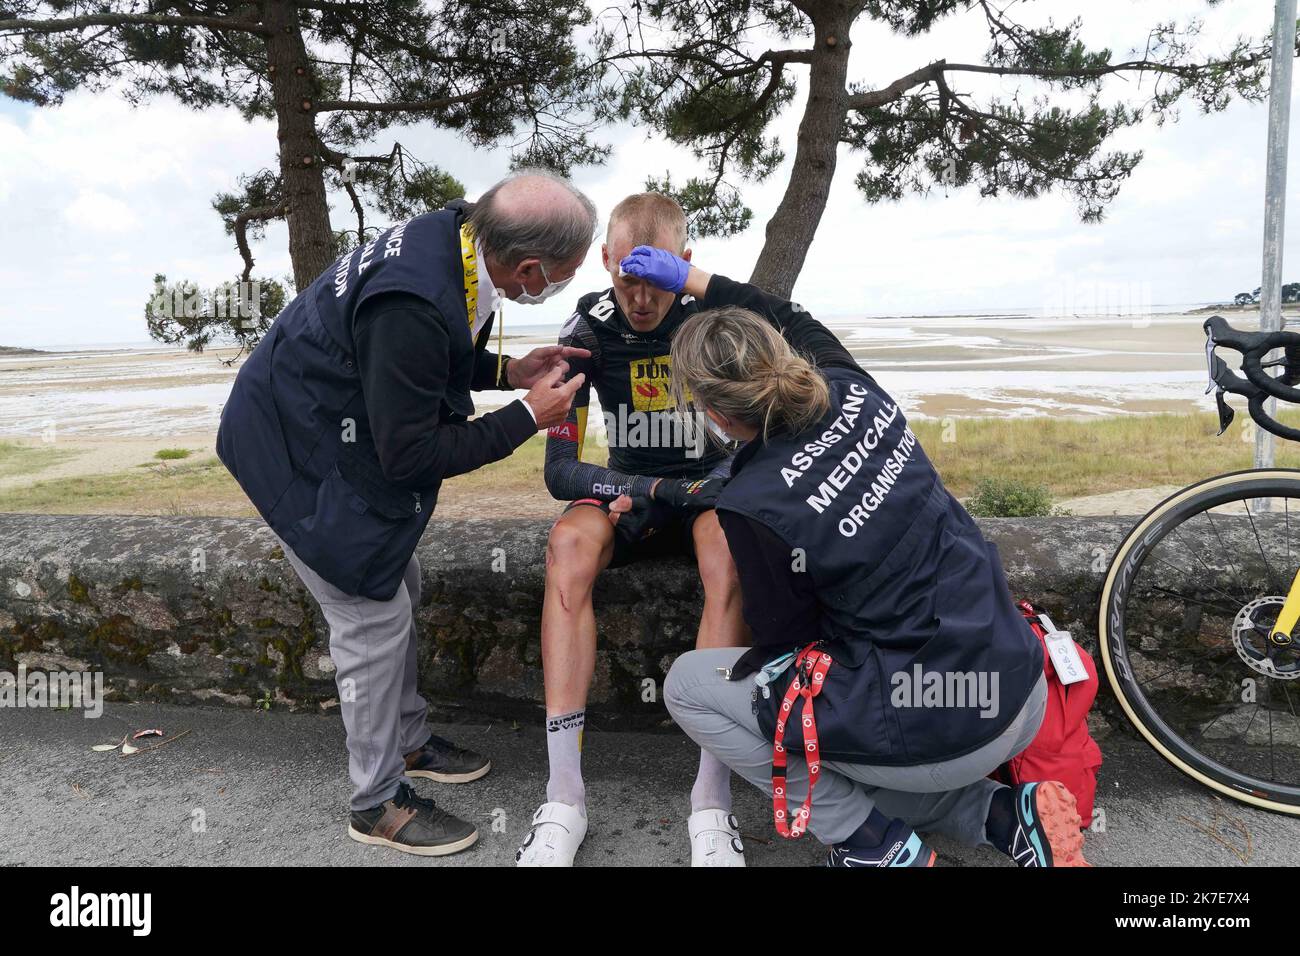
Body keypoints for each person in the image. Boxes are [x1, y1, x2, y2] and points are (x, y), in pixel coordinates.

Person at [617, 246, 1088, 867]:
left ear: (714, 413)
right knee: (847, 747)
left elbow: (789, 644)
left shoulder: (751, 502)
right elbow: (788, 311)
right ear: (782, 354)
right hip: (1020, 685)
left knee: (693, 689)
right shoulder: (851, 384)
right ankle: (1005, 815)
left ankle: (874, 846)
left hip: (946, 729)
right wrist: (693, 280)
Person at [216, 170, 595, 857]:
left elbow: (430, 357)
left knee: (405, 583)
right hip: (290, 448)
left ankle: (410, 739)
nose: (557, 285)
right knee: (371, 615)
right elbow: (411, 455)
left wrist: (509, 371)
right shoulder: (413, 297)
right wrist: (526, 417)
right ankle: (377, 802)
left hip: (318, 420)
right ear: (530, 266)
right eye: (561, 275)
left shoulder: (455, 236)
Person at [517, 193, 818, 867]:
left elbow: (766, 425)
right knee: (567, 547)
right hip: (634, 492)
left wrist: (713, 487)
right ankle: (564, 795)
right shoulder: (588, 326)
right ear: (605, 261)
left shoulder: (716, 318)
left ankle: (710, 802)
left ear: (685, 264)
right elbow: (560, 471)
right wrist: (647, 489)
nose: (640, 298)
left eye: (656, 280)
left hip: (707, 491)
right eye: (627, 277)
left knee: (732, 563)